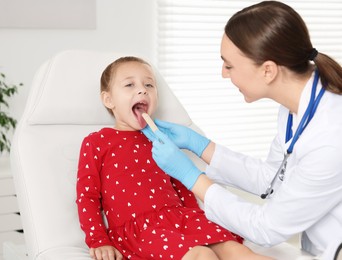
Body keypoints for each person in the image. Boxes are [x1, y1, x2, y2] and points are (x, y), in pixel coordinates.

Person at [142, 1, 342, 259]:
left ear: (268, 70)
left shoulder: (330, 136)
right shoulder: (296, 106)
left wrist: (191, 177)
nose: (224, 73)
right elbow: (272, 178)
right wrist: (201, 146)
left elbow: (266, 227)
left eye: (229, 65)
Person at [76, 56, 272, 260]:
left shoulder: (160, 139)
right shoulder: (97, 142)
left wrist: (195, 217)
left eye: (149, 84)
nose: (142, 90)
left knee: (235, 250)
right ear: (108, 100)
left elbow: (179, 183)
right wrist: (98, 240)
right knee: (202, 255)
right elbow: (87, 197)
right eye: (129, 84)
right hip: (143, 231)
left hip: (181, 218)